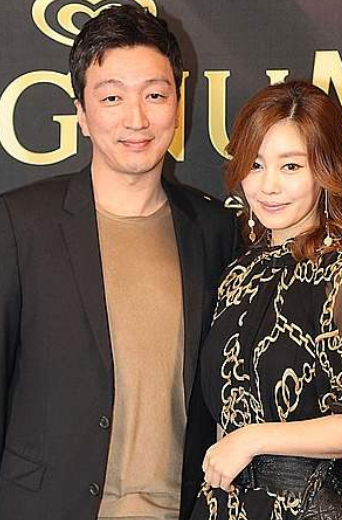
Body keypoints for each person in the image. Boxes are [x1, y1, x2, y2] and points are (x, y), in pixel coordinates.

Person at [0, 5, 237, 520]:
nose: (136, 119)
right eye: (112, 97)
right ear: (82, 114)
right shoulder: (20, 225)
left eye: (155, 94)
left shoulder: (216, 230)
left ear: (179, 103)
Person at [189, 80, 342, 520]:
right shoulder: (238, 273)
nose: (268, 186)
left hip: (303, 506)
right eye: (255, 165)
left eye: (290, 166)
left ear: (324, 170)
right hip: (223, 505)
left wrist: (253, 439)